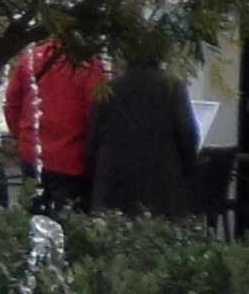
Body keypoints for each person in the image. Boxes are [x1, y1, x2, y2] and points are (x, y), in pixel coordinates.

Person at [85, 50, 203, 220]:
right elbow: (187, 134)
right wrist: (186, 171)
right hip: (161, 182)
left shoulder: (109, 89)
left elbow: (93, 139)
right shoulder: (173, 87)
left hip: (114, 182)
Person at [5, 41, 99, 218]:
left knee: (34, 219)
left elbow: (12, 104)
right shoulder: (88, 66)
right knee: (68, 222)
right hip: (71, 160)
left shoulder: (31, 58)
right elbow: (94, 115)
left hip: (33, 155)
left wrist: (24, 139)